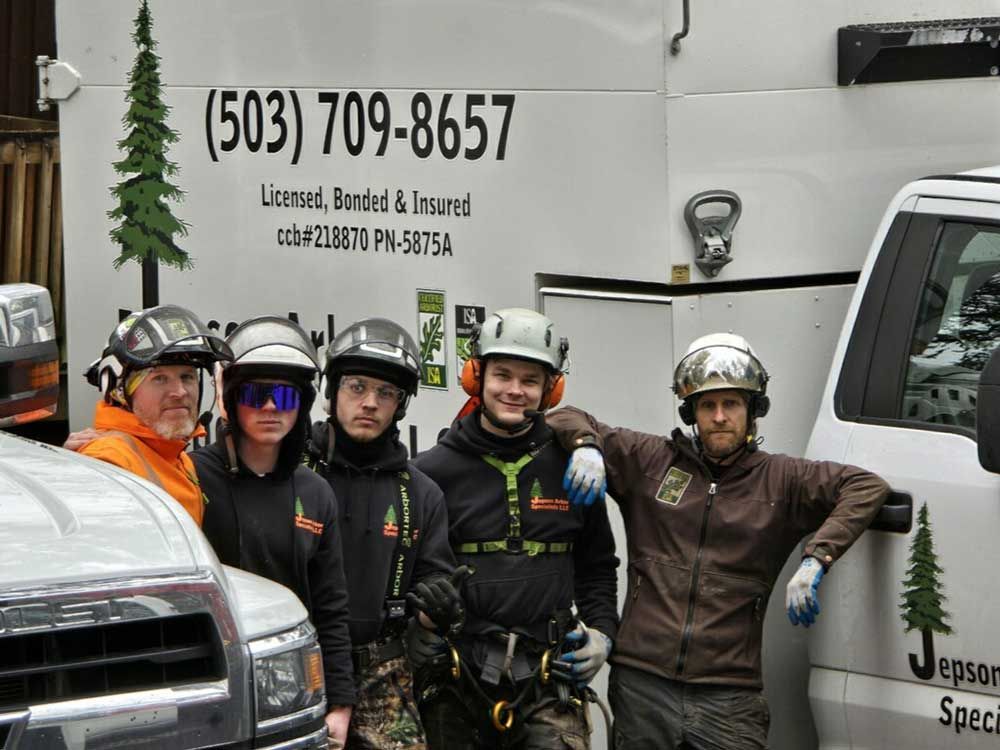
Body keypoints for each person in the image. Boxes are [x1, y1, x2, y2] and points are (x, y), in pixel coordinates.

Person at [552, 332, 890, 750]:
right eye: (707, 406)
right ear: (691, 413)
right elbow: (563, 415)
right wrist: (587, 448)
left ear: (753, 411)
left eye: (731, 404)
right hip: (642, 683)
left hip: (730, 693)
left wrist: (815, 559)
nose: (719, 416)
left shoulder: (783, 480)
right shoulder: (651, 460)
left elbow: (865, 486)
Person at [410, 307, 619, 750]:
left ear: (551, 389)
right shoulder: (431, 473)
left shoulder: (574, 469)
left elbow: (598, 565)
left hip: (549, 681)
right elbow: (413, 575)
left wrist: (602, 634)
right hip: (455, 683)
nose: (514, 391)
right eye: (502, 375)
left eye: (530, 381)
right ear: (476, 376)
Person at [192, 316, 355, 748]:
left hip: (290, 687)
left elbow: (331, 606)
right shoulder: (189, 477)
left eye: (284, 396)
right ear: (230, 399)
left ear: (301, 405)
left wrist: (340, 704)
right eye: (256, 394)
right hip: (212, 684)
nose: (270, 408)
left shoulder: (315, 492)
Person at [305, 317, 456, 750]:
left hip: (383, 671)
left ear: (401, 406)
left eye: (386, 393)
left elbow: (434, 577)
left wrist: (439, 603)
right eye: (357, 387)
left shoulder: (422, 493)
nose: (370, 402)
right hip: (301, 663)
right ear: (332, 391)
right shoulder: (292, 472)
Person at [79, 305, 233, 524]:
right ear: (120, 390)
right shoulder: (110, 462)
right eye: (159, 379)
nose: (179, 392)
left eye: (187, 376)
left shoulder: (174, 455)